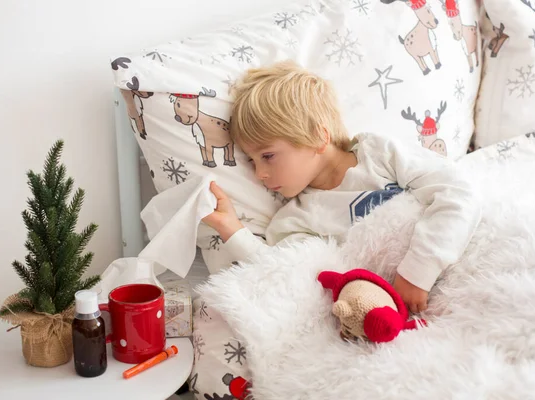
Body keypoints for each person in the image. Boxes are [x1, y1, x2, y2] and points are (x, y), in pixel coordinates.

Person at [202, 60, 481, 313]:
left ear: (317, 137)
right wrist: (232, 229)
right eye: (251, 161)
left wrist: (417, 272)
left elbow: (456, 191)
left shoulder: (378, 153)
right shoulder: (297, 219)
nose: (260, 173)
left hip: (462, 261)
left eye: (267, 156)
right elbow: (282, 274)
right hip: (394, 308)